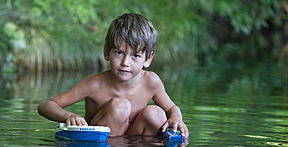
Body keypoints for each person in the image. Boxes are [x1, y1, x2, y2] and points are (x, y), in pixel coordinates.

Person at [38, 13, 189, 137]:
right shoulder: (95, 84)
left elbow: (172, 109)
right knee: (120, 106)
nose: (125, 62)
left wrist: (176, 119)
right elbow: (46, 105)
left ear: (148, 59)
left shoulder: (151, 82)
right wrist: (69, 117)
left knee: (156, 113)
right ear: (106, 52)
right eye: (119, 52)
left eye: (135, 56)